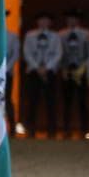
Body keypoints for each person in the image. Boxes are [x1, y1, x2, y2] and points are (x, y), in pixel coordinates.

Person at [20, 11, 62, 140]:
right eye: (41, 20)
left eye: (46, 20)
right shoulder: (30, 35)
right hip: (34, 71)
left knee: (50, 101)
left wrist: (47, 67)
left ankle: (52, 130)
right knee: (33, 100)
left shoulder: (55, 36)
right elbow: (26, 52)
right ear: (38, 22)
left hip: (50, 72)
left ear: (49, 22)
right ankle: (30, 130)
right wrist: (37, 67)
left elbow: (58, 53)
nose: (44, 22)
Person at [59, 8, 89, 139]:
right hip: (67, 71)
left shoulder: (86, 34)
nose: (71, 20)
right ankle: (66, 129)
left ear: (78, 20)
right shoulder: (61, 34)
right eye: (69, 18)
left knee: (82, 101)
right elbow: (58, 53)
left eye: (74, 18)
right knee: (67, 102)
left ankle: (85, 129)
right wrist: (63, 69)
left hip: (81, 71)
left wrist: (83, 68)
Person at [3, 10, 20, 137]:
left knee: (7, 99)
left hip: (7, 73)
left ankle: (12, 128)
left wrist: (6, 68)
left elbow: (15, 54)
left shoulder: (12, 36)